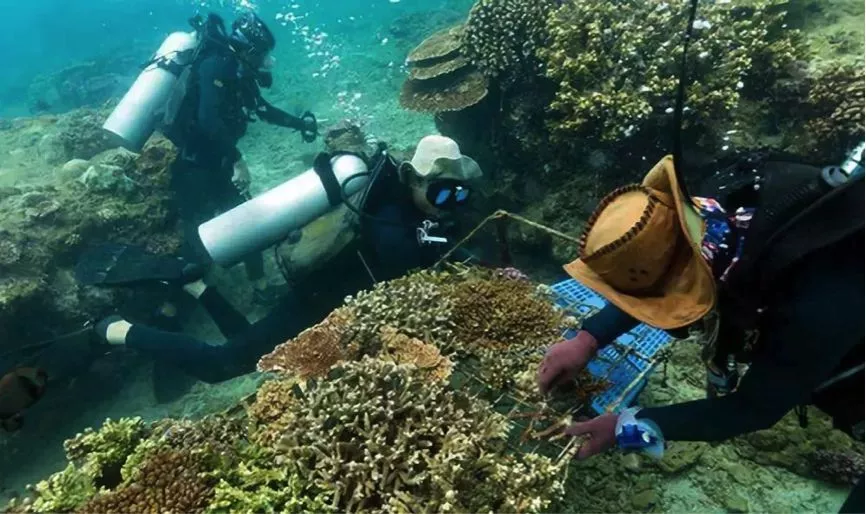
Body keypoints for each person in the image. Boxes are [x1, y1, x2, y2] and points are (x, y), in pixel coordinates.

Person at [537, 150, 864, 512]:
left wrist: (626, 426)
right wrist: (589, 337)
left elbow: (754, 408)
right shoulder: (715, 209)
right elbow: (660, 272)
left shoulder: (819, 302)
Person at [91, 135, 482, 384]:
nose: (451, 206)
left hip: (333, 301)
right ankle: (116, 329)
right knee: (223, 366)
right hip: (318, 299)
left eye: (460, 196)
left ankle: (198, 286)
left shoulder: (409, 207)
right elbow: (405, 260)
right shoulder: (389, 212)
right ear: (413, 178)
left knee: (254, 349)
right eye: (444, 194)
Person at [166, 11, 318, 303]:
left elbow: (263, 110)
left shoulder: (239, 72)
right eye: (263, 54)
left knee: (245, 223)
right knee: (195, 238)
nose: (267, 61)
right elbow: (208, 119)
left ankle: (259, 289)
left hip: (217, 162)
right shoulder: (215, 66)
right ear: (249, 49)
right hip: (194, 166)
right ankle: (172, 305)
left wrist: (301, 124)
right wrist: (237, 159)